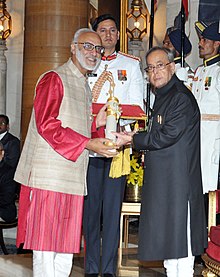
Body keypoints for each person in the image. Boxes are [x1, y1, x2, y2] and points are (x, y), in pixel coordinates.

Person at [14, 28, 118, 277]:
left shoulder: (82, 83)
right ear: (73, 47)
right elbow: (47, 125)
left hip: (71, 180)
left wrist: (97, 125)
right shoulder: (54, 78)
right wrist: (88, 144)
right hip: (48, 178)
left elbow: (74, 127)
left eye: (98, 49)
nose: (94, 53)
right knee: (46, 250)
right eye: (88, 46)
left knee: (64, 250)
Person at [114, 46, 207, 277]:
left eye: (160, 65)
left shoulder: (180, 98)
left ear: (172, 67)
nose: (155, 72)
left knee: (181, 249)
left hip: (179, 186)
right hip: (165, 184)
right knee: (169, 248)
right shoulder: (165, 97)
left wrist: (133, 139)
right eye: (150, 68)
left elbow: (166, 135)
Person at [83, 14, 144, 277]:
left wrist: (109, 111)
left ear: (119, 35)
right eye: (102, 30)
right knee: (91, 210)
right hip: (90, 145)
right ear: (94, 35)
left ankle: (108, 268)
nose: (108, 34)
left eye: (112, 30)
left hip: (118, 145)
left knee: (112, 210)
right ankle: (90, 265)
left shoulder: (130, 65)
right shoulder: (86, 63)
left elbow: (138, 107)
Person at [192, 21, 220, 197]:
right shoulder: (199, 71)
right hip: (197, 138)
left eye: (204, 40)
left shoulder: (217, 72)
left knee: (209, 187)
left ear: (217, 44)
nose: (200, 43)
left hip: (213, 139)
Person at [0, 115, 20, 223]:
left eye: (2, 123)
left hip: (6, 181)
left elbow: (11, 164)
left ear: (7, 126)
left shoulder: (13, 141)